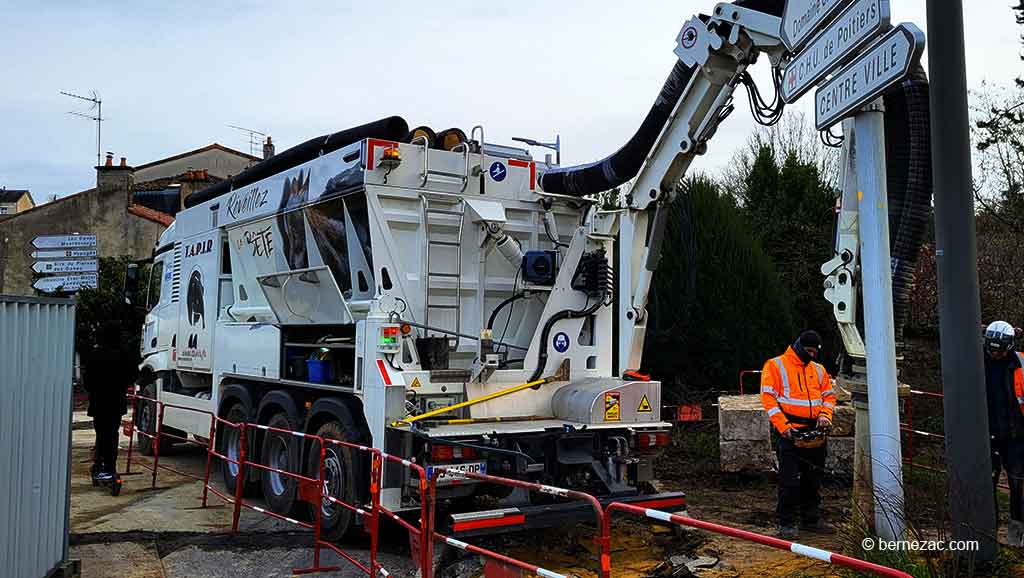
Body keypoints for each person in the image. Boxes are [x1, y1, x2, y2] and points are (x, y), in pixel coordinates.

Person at [760, 330, 837, 539]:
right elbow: (768, 398)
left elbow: (829, 395)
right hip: (790, 433)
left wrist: (825, 415)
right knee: (789, 481)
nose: (811, 355)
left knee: (813, 479)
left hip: (816, 432)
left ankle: (810, 519)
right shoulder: (775, 365)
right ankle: (786, 523)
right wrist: (783, 426)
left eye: (815, 352)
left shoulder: (819, 370)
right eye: (808, 351)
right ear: (799, 346)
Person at [982, 320, 1024, 546]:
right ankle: (987, 532)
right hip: (986, 434)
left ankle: (1017, 535)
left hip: (1016, 436)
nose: (995, 354)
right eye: (992, 349)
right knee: (986, 483)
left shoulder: (1020, 364)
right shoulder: (977, 361)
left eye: (999, 350)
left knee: (1019, 484)